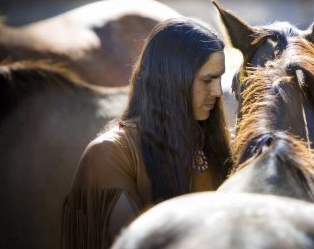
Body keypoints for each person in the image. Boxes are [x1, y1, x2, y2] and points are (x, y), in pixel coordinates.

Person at [62, 17, 232, 248]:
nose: (218, 91)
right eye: (207, 79)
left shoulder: (221, 145)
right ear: (170, 80)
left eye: (219, 77)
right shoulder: (110, 155)